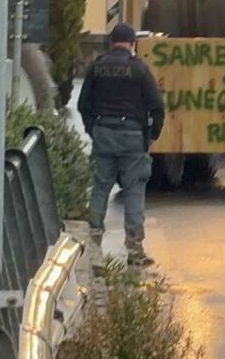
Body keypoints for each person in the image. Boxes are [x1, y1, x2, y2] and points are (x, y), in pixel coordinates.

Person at [77, 23, 165, 267]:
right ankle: (135, 250)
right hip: (133, 136)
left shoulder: (97, 68)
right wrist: (151, 136)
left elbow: (83, 105)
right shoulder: (140, 70)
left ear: (111, 42)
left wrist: (92, 129)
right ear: (133, 44)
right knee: (134, 190)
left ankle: (94, 249)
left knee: (100, 188)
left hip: (104, 133)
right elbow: (157, 106)